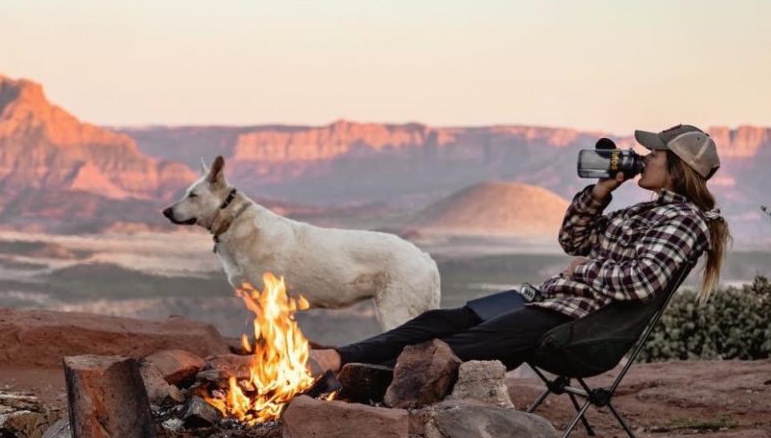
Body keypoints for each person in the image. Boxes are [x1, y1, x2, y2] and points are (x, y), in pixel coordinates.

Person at [311, 124, 732, 373]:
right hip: (542, 301)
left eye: (653, 153)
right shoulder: (643, 213)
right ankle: (337, 358)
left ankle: (347, 384)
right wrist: (602, 190)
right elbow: (574, 239)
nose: (642, 158)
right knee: (440, 320)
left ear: (677, 167)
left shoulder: (681, 221)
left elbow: (640, 282)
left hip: (570, 321)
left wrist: (579, 272)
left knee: (459, 345)